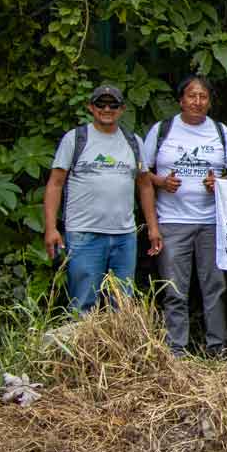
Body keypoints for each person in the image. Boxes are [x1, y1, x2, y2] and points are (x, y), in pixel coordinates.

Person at [43, 85, 162, 313]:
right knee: (83, 303)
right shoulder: (75, 139)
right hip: (83, 233)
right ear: (91, 107)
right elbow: (55, 183)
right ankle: (80, 350)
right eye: (101, 104)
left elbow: (145, 185)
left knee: (123, 305)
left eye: (113, 105)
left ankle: (119, 350)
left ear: (122, 109)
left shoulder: (133, 141)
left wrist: (153, 227)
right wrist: (50, 228)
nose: (107, 109)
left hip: (124, 235)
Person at [144, 75, 227, 356]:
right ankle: (177, 351)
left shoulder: (221, 132)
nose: (197, 102)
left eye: (203, 96)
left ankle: (217, 347)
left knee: (215, 288)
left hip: (212, 223)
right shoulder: (162, 130)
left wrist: (219, 183)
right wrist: (161, 183)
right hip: (171, 221)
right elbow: (142, 175)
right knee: (174, 289)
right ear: (181, 100)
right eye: (191, 96)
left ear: (210, 101)